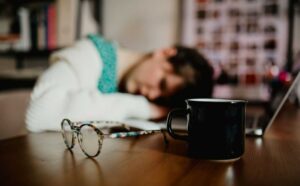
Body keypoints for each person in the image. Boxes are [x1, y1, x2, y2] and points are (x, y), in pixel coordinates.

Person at [26, 35, 214, 132]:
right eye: (162, 83)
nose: (151, 96)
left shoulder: (119, 87)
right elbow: (39, 116)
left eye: (161, 99)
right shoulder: (88, 55)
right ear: (165, 53)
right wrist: (145, 108)